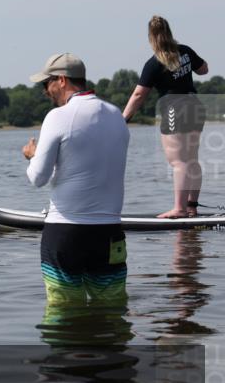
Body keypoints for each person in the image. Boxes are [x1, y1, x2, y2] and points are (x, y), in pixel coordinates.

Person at [22, 53, 130, 307]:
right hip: (110, 232)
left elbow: (38, 177)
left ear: (61, 80)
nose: (45, 91)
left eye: (45, 84)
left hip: (66, 232)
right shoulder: (116, 115)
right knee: (113, 311)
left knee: (64, 314)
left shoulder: (57, 117)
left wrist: (31, 156)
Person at [122, 16, 210, 218]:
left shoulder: (154, 63)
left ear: (151, 38)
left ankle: (179, 209)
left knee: (178, 161)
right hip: (195, 105)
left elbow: (138, 95)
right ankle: (191, 207)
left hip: (173, 109)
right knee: (191, 159)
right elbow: (204, 69)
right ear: (169, 32)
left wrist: (123, 119)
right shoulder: (185, 51)